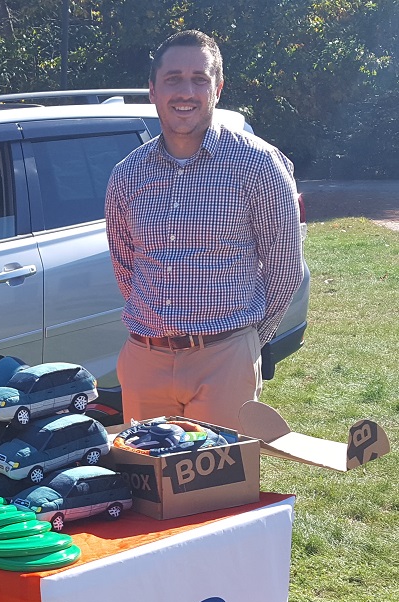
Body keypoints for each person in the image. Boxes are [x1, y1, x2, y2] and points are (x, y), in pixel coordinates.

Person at [104, 30, 304, 431]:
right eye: (173, 79)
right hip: (145, 362)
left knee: (223, 472)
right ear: (153, 90)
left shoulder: (258, 166)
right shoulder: (127, 175)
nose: (186, 92)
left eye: (200, 79)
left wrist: (247, 341)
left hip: (224, 359)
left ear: (218, 88)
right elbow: (126, 267)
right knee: (145, 472)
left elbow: (284, 269)